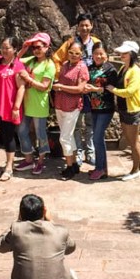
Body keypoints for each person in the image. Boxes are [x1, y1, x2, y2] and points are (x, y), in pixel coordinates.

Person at [52, 13, 100, 167]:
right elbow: (56, 59)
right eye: (81, 25)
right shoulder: (70, 43)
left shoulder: (97, 42)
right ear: (77, 27)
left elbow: (101, 58)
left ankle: (90, 151)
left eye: (87, 25)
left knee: (91, 122)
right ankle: (78, 151)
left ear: (91, 26)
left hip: (91, 86)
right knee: (77, 124)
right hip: (74, 88)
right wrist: (62, 76)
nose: (85, 28)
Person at [15, 33, 55, 176]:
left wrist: (28, 79)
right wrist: (24, 48)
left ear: (46, 47)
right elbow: (15, 60)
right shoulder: (31, 60)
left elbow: (44, 86)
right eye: (34, 47)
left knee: (40, 135)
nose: (36, 50)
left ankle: (41, 162)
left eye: (38, 47)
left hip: (39, 105)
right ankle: (29, 158)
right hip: (26, 103)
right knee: (21, 131)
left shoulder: (49, 65)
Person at [106, 40, 140, 181]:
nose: (121, 55)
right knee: (132, 140)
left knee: (133, 141)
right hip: (124, 108)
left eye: (125, 53)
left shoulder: (135, 70)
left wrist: (114, 90)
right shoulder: (124, 68)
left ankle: (135, 170)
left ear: (132, 54)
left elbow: (130, 91)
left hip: (132, 109)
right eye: (121, 53)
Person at [0, 37, 26, 182]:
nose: (4, 50)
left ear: (15, 49)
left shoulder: (17, 66)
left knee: (9, 135)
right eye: (2, 47)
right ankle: (7, 163)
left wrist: (16, 107)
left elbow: (21, 88)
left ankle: (9, 167)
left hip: (9, 106)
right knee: (3, 134)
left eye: (7, 47)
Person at [53, 42, 90, 180]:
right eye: (71, 53)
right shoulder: (64, 65)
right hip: (60, 104)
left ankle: (69, 168)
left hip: (72, 105)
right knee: (68, 136)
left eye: (77, 53)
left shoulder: (82, 68)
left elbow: (80, 89)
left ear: (82, 55)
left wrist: (61, 87)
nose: (74, 56)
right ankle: (74, 164)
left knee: (64, 138)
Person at [84, 42, 118, 180]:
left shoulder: (111, 70)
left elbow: (111, 88)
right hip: (93, 107)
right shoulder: (90, 67)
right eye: (96, 53)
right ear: (92, 55)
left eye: (101, 53)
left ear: (106, 55)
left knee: (97, 137)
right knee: (97, 137)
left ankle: (101, 169)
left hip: (106, 108)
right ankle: (101, 168)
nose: (98, 56)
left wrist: (94, 89)